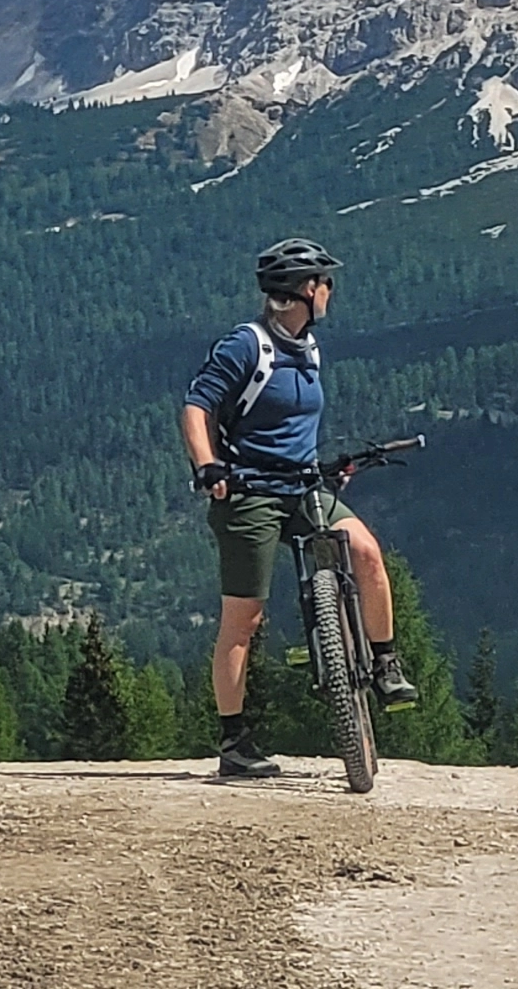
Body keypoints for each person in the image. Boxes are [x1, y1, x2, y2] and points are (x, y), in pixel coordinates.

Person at [184, 236, 415, 780]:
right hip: (249, 494)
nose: (331, 290)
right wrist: (208, 466)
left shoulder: (307, 346)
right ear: (305, 290)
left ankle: (383, 663)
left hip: (305, 486)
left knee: (367, 553)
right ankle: (234, 740)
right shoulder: (248, 346)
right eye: (325, 282)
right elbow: (197, 406)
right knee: (244, 619)